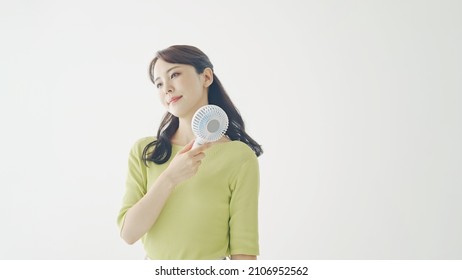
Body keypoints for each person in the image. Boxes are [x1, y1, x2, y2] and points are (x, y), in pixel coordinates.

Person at [117, 45, 263, 260]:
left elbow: (244, 250)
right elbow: (129, 234)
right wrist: (170, 177)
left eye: (174, 74)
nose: (166, 88)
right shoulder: (146, 152)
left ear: (206, 77)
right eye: (158, 84)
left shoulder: (239, 157)